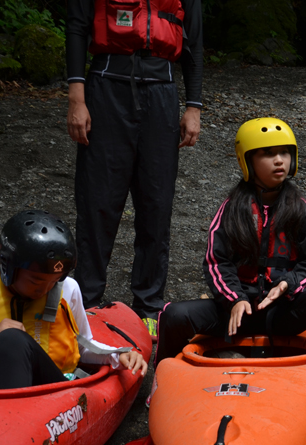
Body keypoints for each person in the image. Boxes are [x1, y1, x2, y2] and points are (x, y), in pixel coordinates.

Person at [155, 118, 306, 403]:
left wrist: (287, 285)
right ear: (248, 161)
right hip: (236, 315)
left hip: (281, 312)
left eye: (284, 153)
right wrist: (235, 298)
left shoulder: (300, 209)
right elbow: (216, 262)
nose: (279, 160)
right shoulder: (231, 209)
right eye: (268, 154)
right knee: (173, 314)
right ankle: (160, 384)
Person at [65, 0, 204, 336]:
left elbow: (194, 42)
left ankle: (149, 305)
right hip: (106, 87)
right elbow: (77, 28)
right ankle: (87, 303)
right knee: (98, 201)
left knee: (156, 203)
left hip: (162, 92)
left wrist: (194, 105)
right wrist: (76, 98)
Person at [0, 211, 146, 390]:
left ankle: (12, 427)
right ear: (10, 267)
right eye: (36, 280)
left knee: (12, 340)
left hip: (49, 386)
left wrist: (118, 356)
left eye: (53, 281)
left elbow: (82, 346)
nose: (45, 289)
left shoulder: (68, 289)